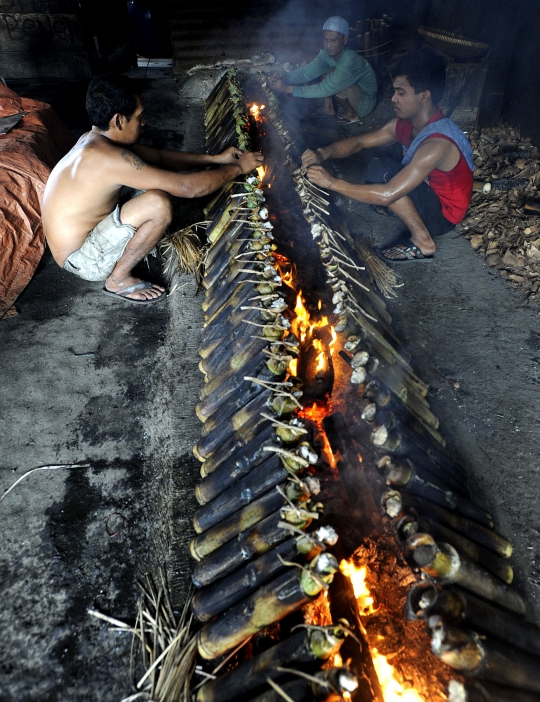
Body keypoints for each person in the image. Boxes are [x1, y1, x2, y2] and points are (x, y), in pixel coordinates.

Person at [42, 73, 263, 304]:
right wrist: (239, 168)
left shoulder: (94, 140)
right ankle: (118, 280)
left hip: (78, 245)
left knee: (160, 177)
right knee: (158, 203)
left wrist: (217, 159)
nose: (144, 122)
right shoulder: (108, 158)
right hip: (82, 260)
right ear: (118, 121)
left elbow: (160, 157)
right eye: (139, 116)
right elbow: (188, 187)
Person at [302, 49, 474, 261]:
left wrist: (331, 183)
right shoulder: (405, 125)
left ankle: (423, 240)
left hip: (443, 215)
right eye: (394, 92)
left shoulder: (437, 144)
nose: (393, 99)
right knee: (381, 155)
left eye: (401, 93)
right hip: (428, 191)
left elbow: (388, 194)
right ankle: (404, 209)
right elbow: (359, 142)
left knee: (383, 171)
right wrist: (322, 153)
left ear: (424, 96)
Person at [268, 16, 377, 123]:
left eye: (333, 40)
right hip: (352, 91)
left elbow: (324, 88)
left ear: (345, 40)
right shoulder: (326, 54)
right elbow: (306, 73)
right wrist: (284, 77)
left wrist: (287, 89)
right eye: (325, 40)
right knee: (331, 72)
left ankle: (352, 115)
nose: (328, 45)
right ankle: (328, 108)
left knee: (333, 78)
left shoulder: (349, 60)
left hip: (364, 102)